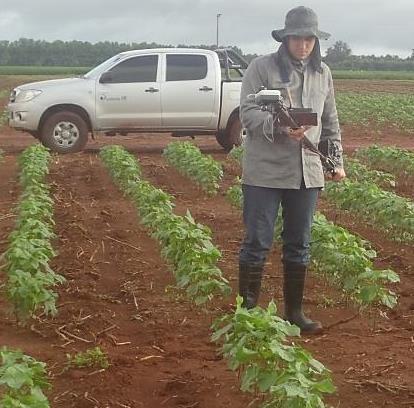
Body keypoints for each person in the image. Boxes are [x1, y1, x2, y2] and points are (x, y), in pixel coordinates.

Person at [238, 6, 346, 334]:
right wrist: (280, 126)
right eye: (297, 38)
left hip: (307, 173)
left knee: (299, 242)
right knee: (258, 241)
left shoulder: (322, 73)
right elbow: (247, 113)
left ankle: (294, 313)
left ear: (316, 41)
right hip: (265, 172)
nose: (303, 45)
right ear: (285, 39)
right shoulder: (261, 68)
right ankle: (247, 315)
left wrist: (336, 161)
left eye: (309, 39)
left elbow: (330, 121)